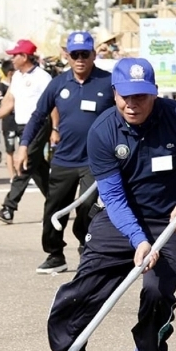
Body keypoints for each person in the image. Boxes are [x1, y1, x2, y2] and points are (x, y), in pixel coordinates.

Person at [26, 58, 176, 351]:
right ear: (114, 93)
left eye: (141, 96)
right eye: (125, 96)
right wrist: (138, 240)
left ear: (154, 94)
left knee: (156, 291)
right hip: (120, 218)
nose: (132, 104)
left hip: (173, 219)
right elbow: (113, 196)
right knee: (80, 292)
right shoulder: (103, 131)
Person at [16, 31, 115, 274]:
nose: (80, 59)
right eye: (75, 54)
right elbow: (39, 116)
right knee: (53, 209)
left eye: (85, 54)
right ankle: (55, 254)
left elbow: (126, 112)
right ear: (67, 56)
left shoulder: (108, 82)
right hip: (64, 159)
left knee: (88, 206)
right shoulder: (58, 83)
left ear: (94, 55)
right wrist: (23, 145)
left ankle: (86, 245)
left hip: (96, 160)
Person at [0, 39, 52, 224]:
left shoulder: (43, 78)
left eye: (15, 55)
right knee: (39, 168)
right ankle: (57, 201)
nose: (11, 59)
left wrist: (56, 129)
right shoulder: (17, 77)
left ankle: (8, 208)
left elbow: (53, 106)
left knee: (24, 164)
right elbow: (9, 101)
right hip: (21, 127)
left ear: (25, 56)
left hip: (38, 126)